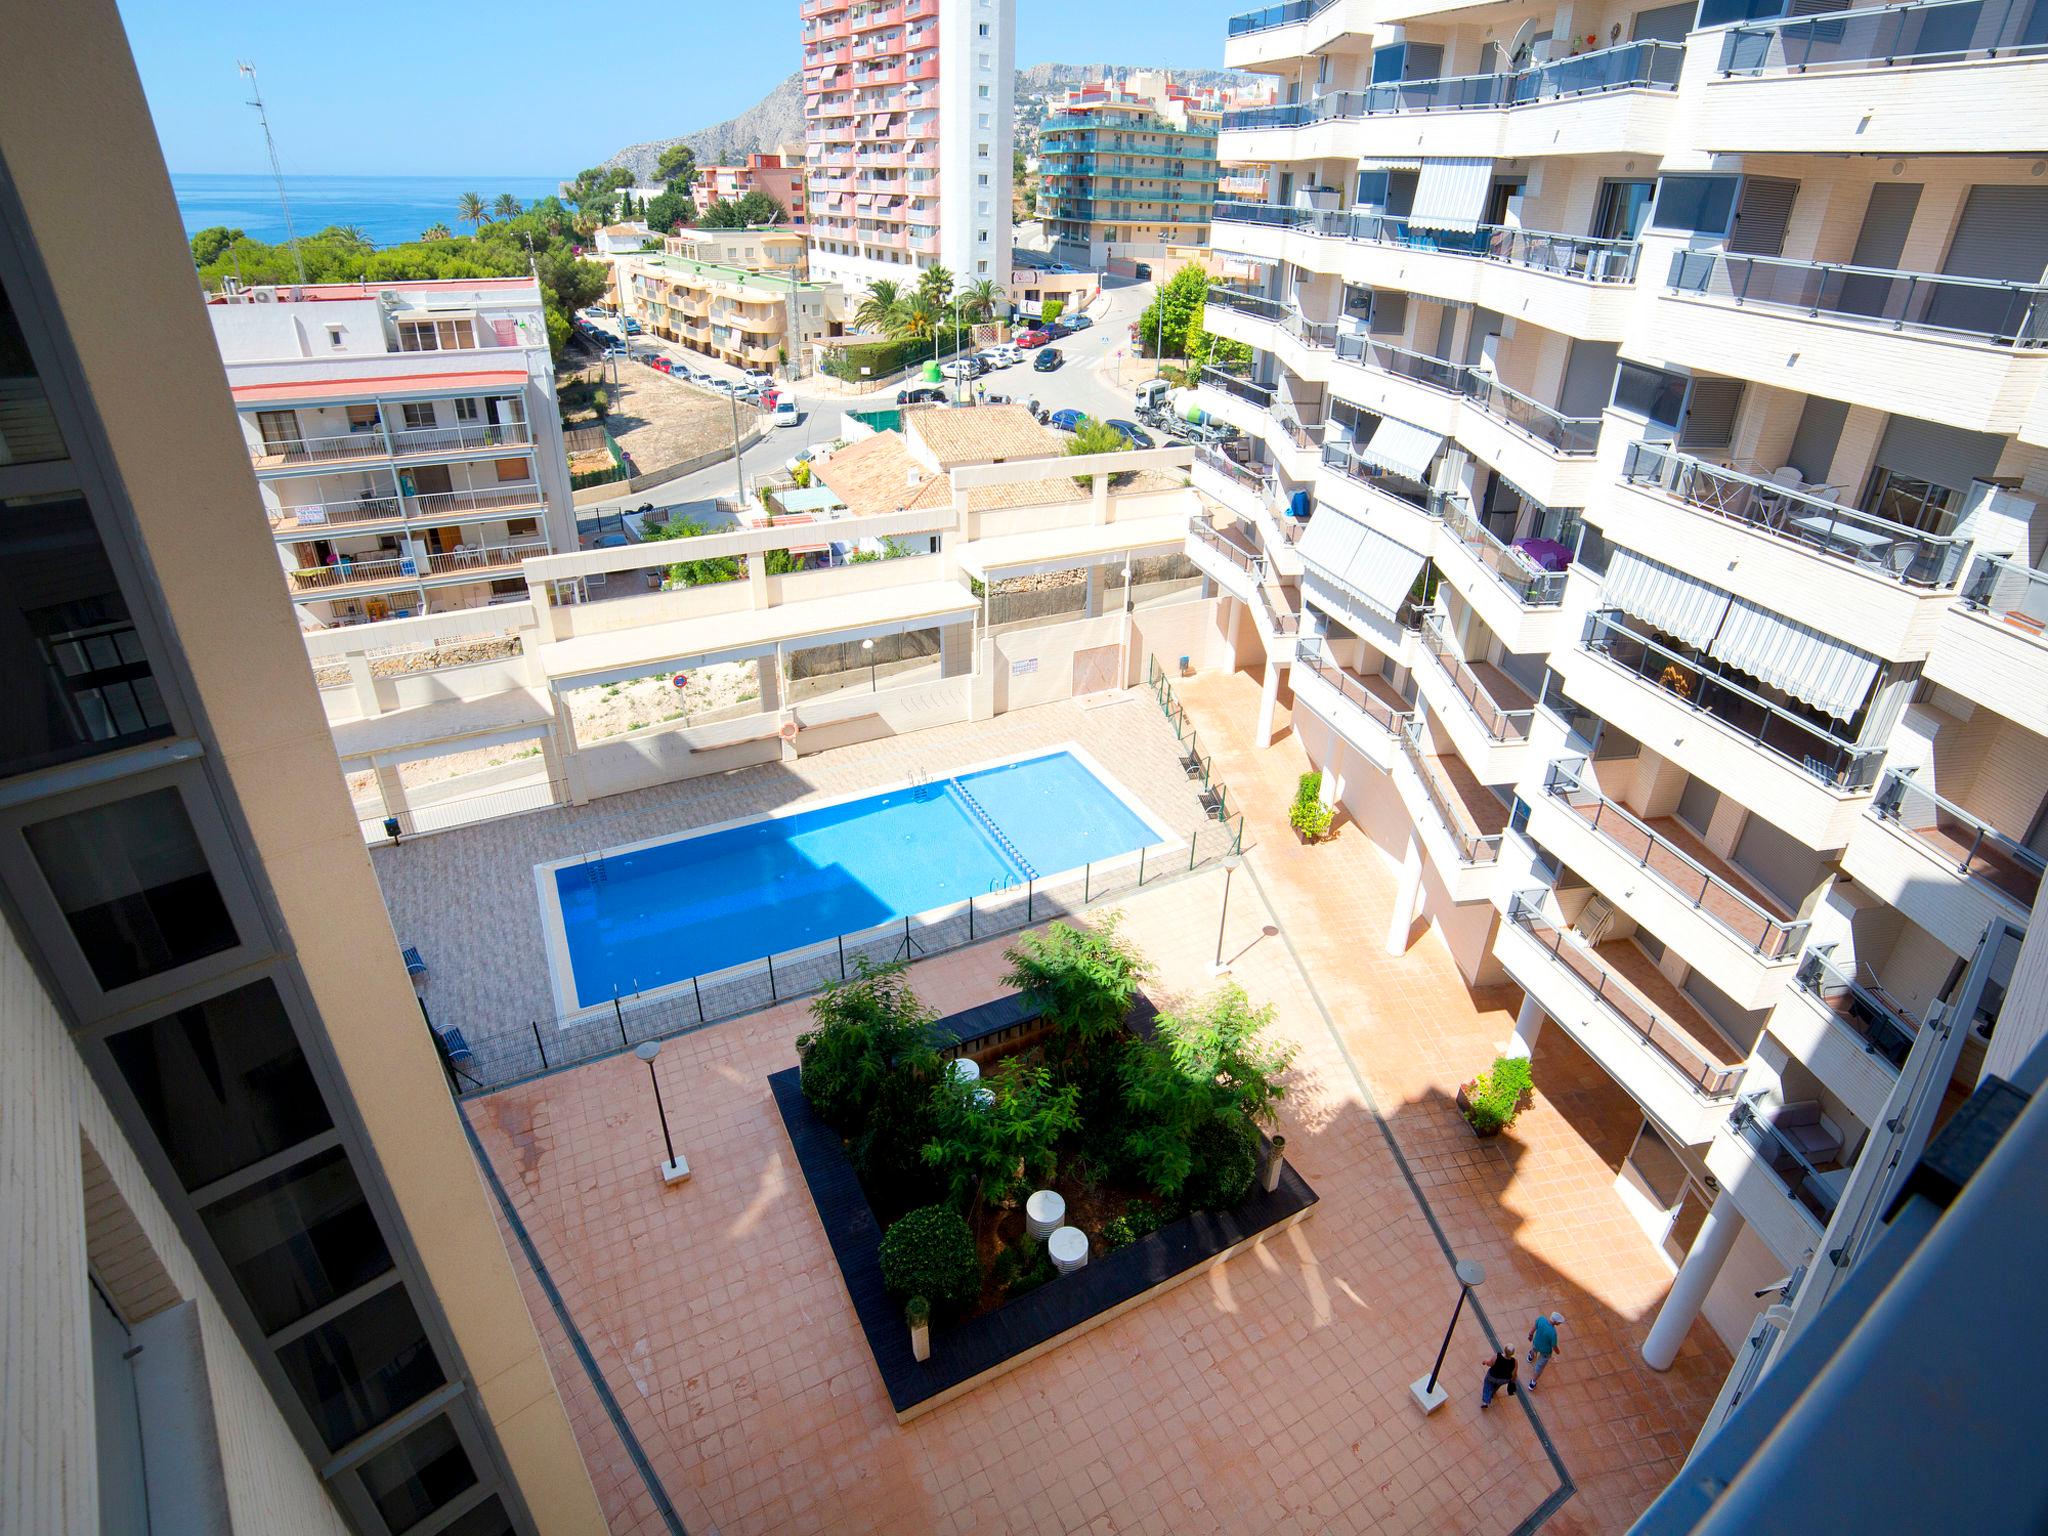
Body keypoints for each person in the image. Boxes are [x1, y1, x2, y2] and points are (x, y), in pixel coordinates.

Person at [1527, 1311, 1564, 1393]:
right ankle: (1532, 1382)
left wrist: (1530, 1335)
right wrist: (1558, 1352)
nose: (1559, 1323)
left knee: (1534, 1349)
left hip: (1536, 1343)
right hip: (1545, 1352)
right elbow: (1554, 1345)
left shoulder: (1541, 1319)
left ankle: (1530, 1357)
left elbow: (1533, 1328)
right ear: (1555, 1322)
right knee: (1539, 1366)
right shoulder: (1553, 1333)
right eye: (1559, 1322)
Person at [1480, 1345, 1518, 1409]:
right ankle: (1492, 1392)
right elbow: (1514, 1374)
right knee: (1497, 1385)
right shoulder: (1514, 1362)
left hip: (1492, 1376)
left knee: (1487, 1385)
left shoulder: (1497, 1356)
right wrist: (1512, 1381)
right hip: (1504, 1379)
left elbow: (1490, 1363)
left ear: (1504, 1350)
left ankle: (1485, 1402)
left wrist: (1485, 1362)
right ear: (1513, 1353)